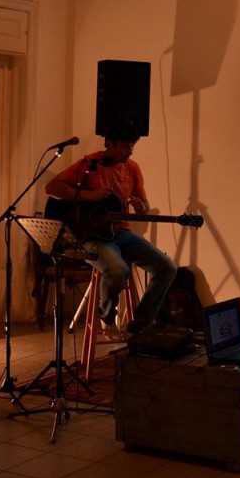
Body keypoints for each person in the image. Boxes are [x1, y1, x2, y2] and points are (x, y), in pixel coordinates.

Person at [45, 119, 178, 341]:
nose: (130, 151)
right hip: (92, 236)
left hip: (121, 233)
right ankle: (107, 318)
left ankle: (138, 326)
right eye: (126, 146)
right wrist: (90, 196)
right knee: (117, 270)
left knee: (167, 267)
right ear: (110, 143)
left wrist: (141, 206)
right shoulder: (89, 164)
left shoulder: (133, 168)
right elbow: (52, 188)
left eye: (132, 146)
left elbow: (144, 205)